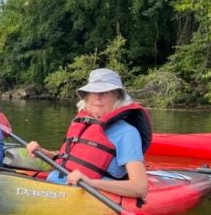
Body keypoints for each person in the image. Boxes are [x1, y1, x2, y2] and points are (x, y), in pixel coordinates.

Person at [26, 68, 152, 198]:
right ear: (86, 97)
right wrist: (44, 153)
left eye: (105, 92)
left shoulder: (127, 133)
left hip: (87, 195)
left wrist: (91, 183)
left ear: (118, 97)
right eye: (93, 92)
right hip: (55, 187)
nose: (97, 97)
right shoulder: (84, 123)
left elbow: (140, 187)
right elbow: (72, 159)